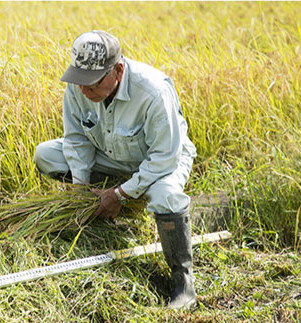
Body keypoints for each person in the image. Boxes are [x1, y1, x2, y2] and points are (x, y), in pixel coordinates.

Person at [34, 30, 198, 309]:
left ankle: (183, 282)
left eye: (92, 84)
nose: (83, 91)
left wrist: (120, 195)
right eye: (80, 81)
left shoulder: (153, 92)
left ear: (118, 70)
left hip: (161, 158)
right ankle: (102, 211)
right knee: (46, 155)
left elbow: (163, 157)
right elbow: (76, 140)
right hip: (111, 154)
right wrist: (81, 191)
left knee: (166, 195)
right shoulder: (79, 87)